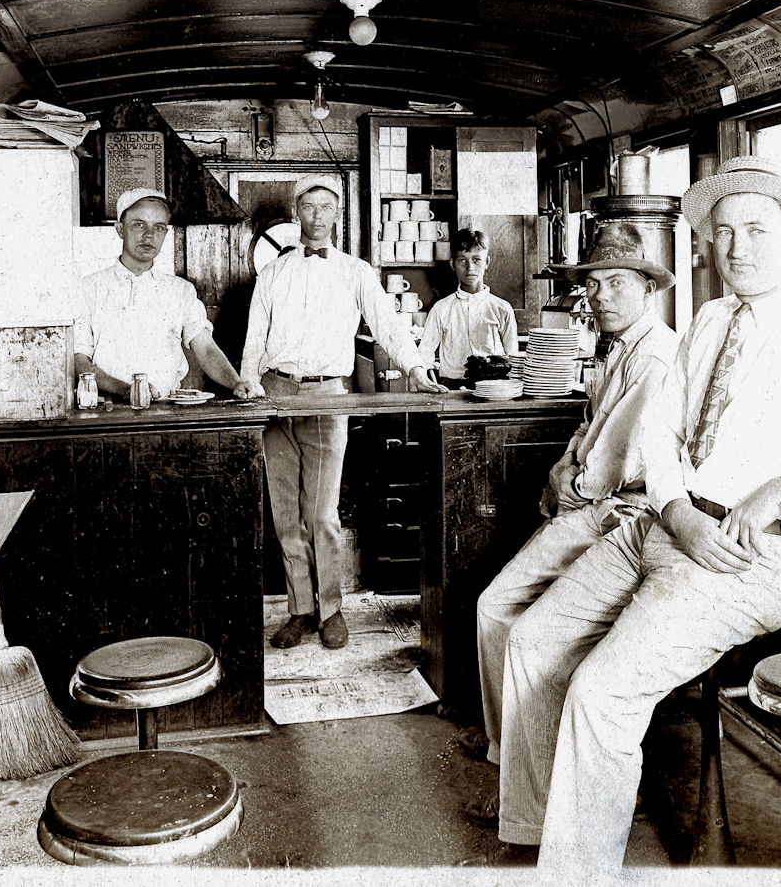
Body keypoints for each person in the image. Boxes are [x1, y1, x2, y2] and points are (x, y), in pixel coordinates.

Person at [496, 156, 781, 871]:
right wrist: (673, 507)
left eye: (756, 229)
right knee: (531, 640)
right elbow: (661, 436)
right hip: (668, 525)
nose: (738, 248)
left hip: (745, 557)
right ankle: (537, 835)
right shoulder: (708, 319)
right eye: (724, 232)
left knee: (600, 692)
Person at [472, 223, 676, 797]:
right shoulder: (618, 349)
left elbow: (618, 459)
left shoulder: (655, 358)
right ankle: (508, 751)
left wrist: (573, 488)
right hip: (591, 497)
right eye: (594, 284)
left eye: (616, 283)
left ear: (648, 289)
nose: (601, 295)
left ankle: (518, 766)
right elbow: (589, 428)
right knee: (500, 613)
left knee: (499, 610)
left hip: (622, 515)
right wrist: (562, 464)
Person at [236, 175, 444, 650]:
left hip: (329, 396)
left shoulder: (357, 272)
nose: (317, 216)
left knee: (323, 514)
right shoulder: (273, 273)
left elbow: (388, 325)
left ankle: (331, 610)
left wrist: (414, 366)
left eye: (327, 207)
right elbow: (254, 338)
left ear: (337, 216)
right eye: (309, 207)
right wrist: (248, 383)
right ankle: (300, 611)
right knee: (286, 515)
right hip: (274, 394)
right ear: (296, 214)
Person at [74, 188, 242, 399]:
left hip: (165, 409)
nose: (149, 235)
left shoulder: (180, 291)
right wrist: (125, 390)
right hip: (108, 409)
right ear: (119, 229)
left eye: (159, 227)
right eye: (139, 225)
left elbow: (206, 348)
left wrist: (236, 382)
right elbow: (78, 360)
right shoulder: (89, 287)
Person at [417, 228, 520, 389]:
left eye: (476, 259)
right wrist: (434, 385)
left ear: (486, 263)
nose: (470, 267)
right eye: (462, 260)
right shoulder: (441, 309)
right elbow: (424, 355)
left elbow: (512, 358)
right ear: (453, 264)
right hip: (452, 388)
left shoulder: (502, 308)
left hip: (494, 388)